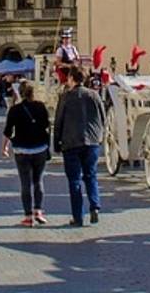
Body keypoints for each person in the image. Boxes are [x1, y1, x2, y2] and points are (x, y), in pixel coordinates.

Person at [53, 69, 105, 226]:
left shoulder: (66, 97)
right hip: (92, 142)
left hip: (71, 142)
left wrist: (56, 143)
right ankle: (94, 207)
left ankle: (78, 216)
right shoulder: (94, 95)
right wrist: (98, 135)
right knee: (91, 176)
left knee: (74, 180)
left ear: (71, 78)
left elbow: (58, 121)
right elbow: (102, 116)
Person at [2, 80, 51, 226]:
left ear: (20, 93)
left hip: (21, 150)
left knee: (25, 183)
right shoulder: (41, 107)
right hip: (40, 148)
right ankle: (39, 211)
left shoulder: (14, 110)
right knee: (38, 181)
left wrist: (4, 147)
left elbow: (8, 131)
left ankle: (28, 216)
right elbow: (46, 126)